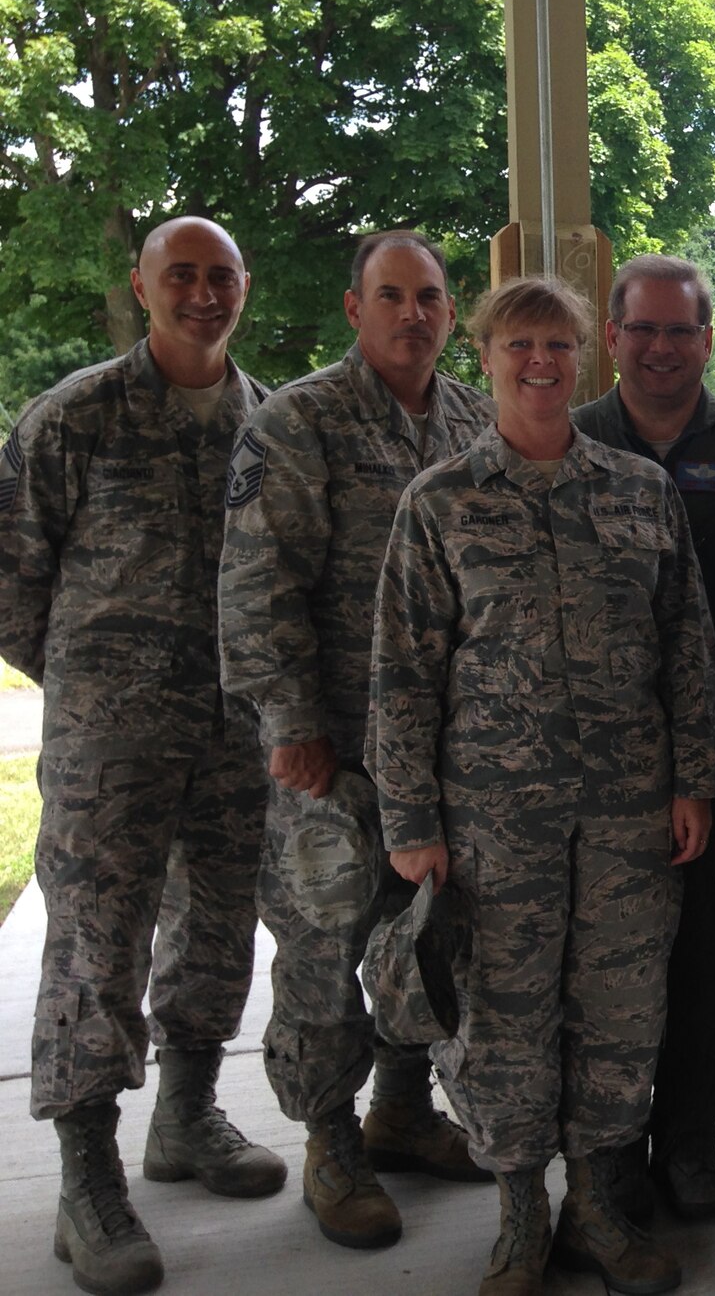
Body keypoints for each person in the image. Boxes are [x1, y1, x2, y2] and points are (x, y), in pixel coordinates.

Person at [368, 276, 715, 1296]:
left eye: (559, 345)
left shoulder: (638, 491)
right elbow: (400, 677)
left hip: (626, 819)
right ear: (484, 356)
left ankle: (597, 1212)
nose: (541, 362)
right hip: (492, 828)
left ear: (587, 357)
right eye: (520, 343)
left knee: (619, 1019)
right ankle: (521, 1218)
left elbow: (687, 650)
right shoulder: (439, 502)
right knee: (502, 1024)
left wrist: (693, 781)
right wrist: (411, 822)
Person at [0, 216, 284, 1296]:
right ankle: (87, 1182)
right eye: (183, 276)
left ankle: (187, 1116)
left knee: (217, 931)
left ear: (244, 287)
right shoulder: (76, 415)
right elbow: (11, 574)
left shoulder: (268, 424)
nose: (204, 294)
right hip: (110, 746)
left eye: (221, 276)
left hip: (234, 736)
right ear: (142, 284)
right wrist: (92, 679)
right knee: (93, 951)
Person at [219, 230, 495, 1250]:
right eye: (391, 296)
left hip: (444, 746)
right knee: (324, 945)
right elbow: (255, 582)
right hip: (332, 751)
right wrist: (289, 722)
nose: (412, 315)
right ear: (354, 309)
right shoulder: (298, 422)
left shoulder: (476, 420)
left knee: (421, 936)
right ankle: (329, 1142)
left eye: (429, 297)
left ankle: (403, 1111)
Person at [572, 254, 715, 1218]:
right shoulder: (565, 441)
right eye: (644, 328)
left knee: (711, 947)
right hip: (592, 756)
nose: (662, 347)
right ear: (612, 337)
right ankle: (606, 1150)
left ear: (708, 340)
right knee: (604, 957)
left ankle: (693, 1137)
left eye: (682, 330)